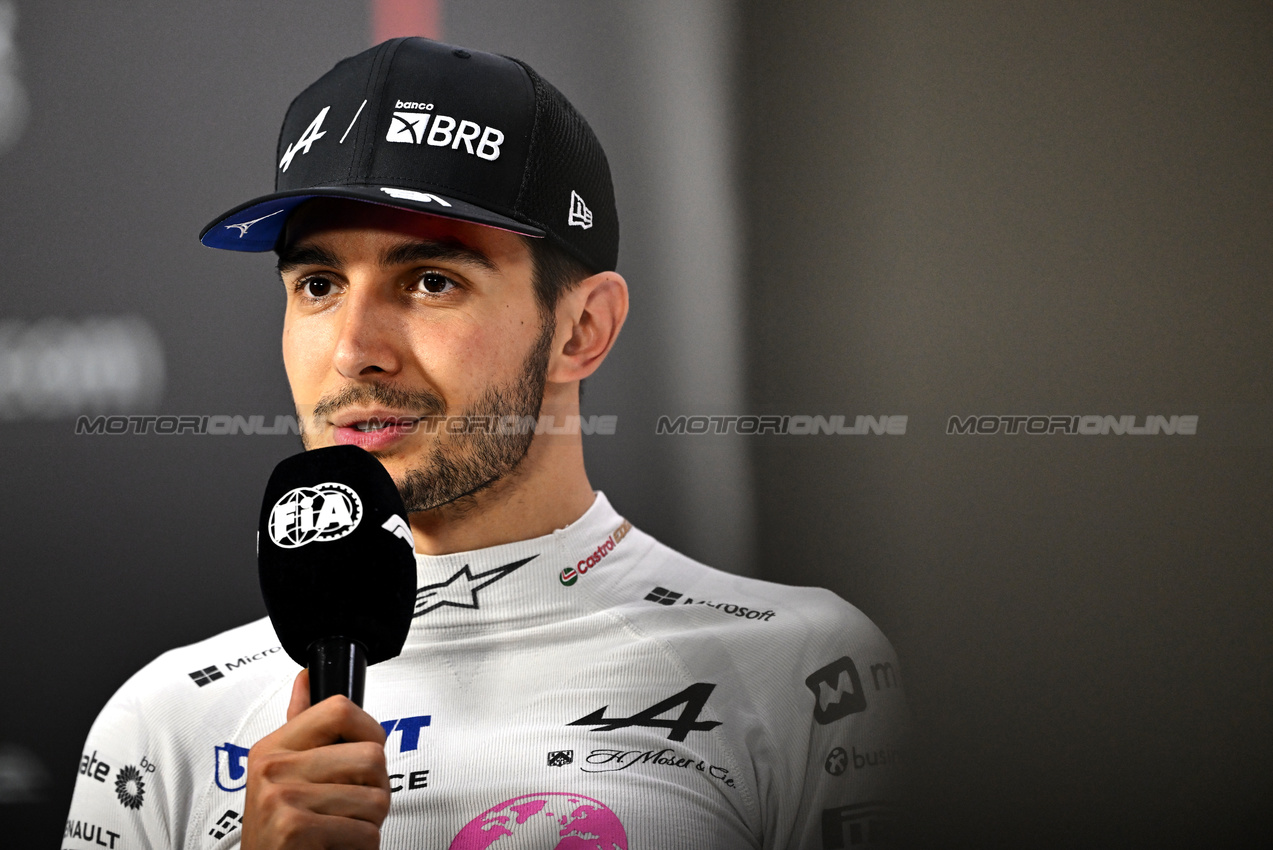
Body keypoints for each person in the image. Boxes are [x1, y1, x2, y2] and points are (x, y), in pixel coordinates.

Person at [63, 37, 907, 849]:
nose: (355, 349)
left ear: (582, 329)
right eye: (318, 285)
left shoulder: (802, 670)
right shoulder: (167, 717)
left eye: (431, 282)